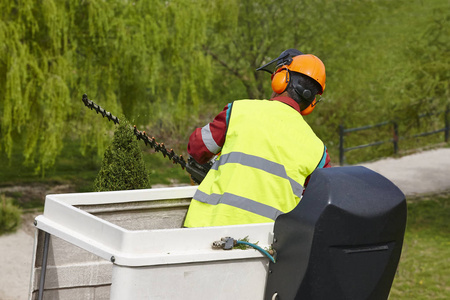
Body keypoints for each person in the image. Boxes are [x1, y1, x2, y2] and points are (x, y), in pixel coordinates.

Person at [183, 49, 331, 227]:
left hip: (207, 228)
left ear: (280, 79)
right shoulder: (318, 150)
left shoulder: (239, 111)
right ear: (311, 103)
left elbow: (197, 147)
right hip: (270, 244)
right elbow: (321, 202)